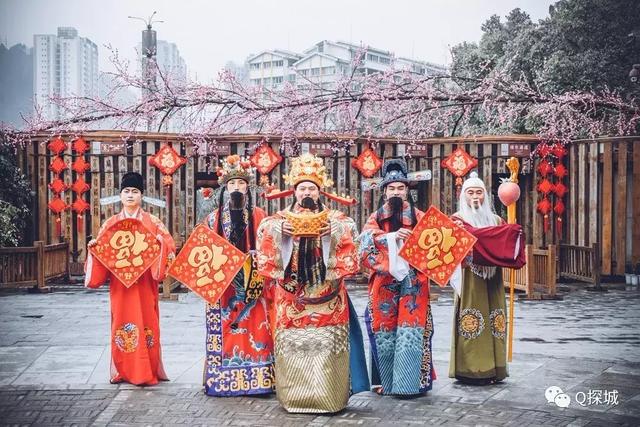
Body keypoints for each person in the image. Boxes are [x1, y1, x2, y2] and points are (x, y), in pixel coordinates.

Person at [256, 153, 369, 413]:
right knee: (293, 346)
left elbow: (352, 237)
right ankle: (294, 398)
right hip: (292, 296)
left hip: (327, 295)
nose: (307, 192)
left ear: (320, 191)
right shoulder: (278, 220)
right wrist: (278, 234)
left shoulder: (337, 219)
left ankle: (330, 397)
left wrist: (334, 233)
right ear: (294, 192)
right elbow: (264, 235)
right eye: (302, 188)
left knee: (328, 346)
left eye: (312, 188)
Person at [85, 171, 176, 386]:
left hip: (145, 284)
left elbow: (169, 248)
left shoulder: (153, 222)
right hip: (120, 287)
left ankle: (147, 370)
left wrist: (159, 244)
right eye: (126, 191)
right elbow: (103, 252)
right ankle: (123, 370)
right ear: (120, 195)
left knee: (147, 324)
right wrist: (94, 250)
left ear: (141, 196)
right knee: (121, 324)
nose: (130, 195)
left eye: (135, 191)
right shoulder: (111, 224)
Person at [358, 159, 435, 396]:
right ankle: (386, 382)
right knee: (384, 332)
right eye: (391, 188)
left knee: (412, 330)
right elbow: (364, 245)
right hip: (384, 283)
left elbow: (433, 244)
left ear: (408, 191)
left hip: (414, 283)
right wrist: (390, 238)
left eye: (401, 188)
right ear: (384, 193)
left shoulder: (420, 216)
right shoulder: (375, 218)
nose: (396, 192)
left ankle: (413, 382)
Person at [201, 155, 274, 396]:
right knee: (226, 328)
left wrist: (255, 257)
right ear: (224, 188)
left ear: (248, 187)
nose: (236, 189)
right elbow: (204, 251)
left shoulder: (261, 216)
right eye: (232, 185)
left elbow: (270, 247)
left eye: (241, 184)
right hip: (225, 287)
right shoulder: (212, 219)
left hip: (255, 282)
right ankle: (222, 377)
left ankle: (260, 378)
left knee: (258, 327)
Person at [449, 171, 509, 385]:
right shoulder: (457, 219)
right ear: (463, 195)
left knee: (495, 319)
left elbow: (507, 246)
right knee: (472, 319)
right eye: (470, 192)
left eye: (479, 192)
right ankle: (469, 369)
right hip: (469, 277)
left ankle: (495, 368)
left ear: (486, 195)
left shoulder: (496, 220)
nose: (475, 196)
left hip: (492, 278)